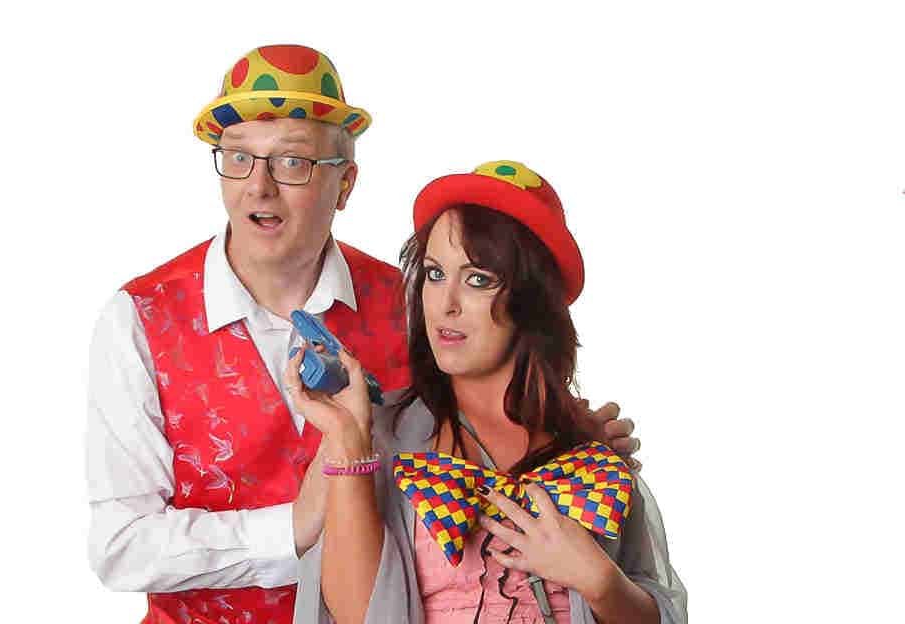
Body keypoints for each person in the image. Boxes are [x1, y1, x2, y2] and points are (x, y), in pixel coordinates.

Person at [86, 45, 639, 624]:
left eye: (292, 162)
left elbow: (475, 444)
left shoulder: (416, 306)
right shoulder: (139, 320)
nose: (260, 187)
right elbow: (120, 548)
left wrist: (559, 440)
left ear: (345, 184)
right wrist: (296, 526)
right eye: (238, 158)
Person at [289, 161, 686, 624]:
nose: (446, 303)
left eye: (477, 279)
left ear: (531, 301)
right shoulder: (383, 436)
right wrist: (349, 442)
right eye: (435, 274)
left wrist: (598, 580)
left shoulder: (592, 457)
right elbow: (358, 616)